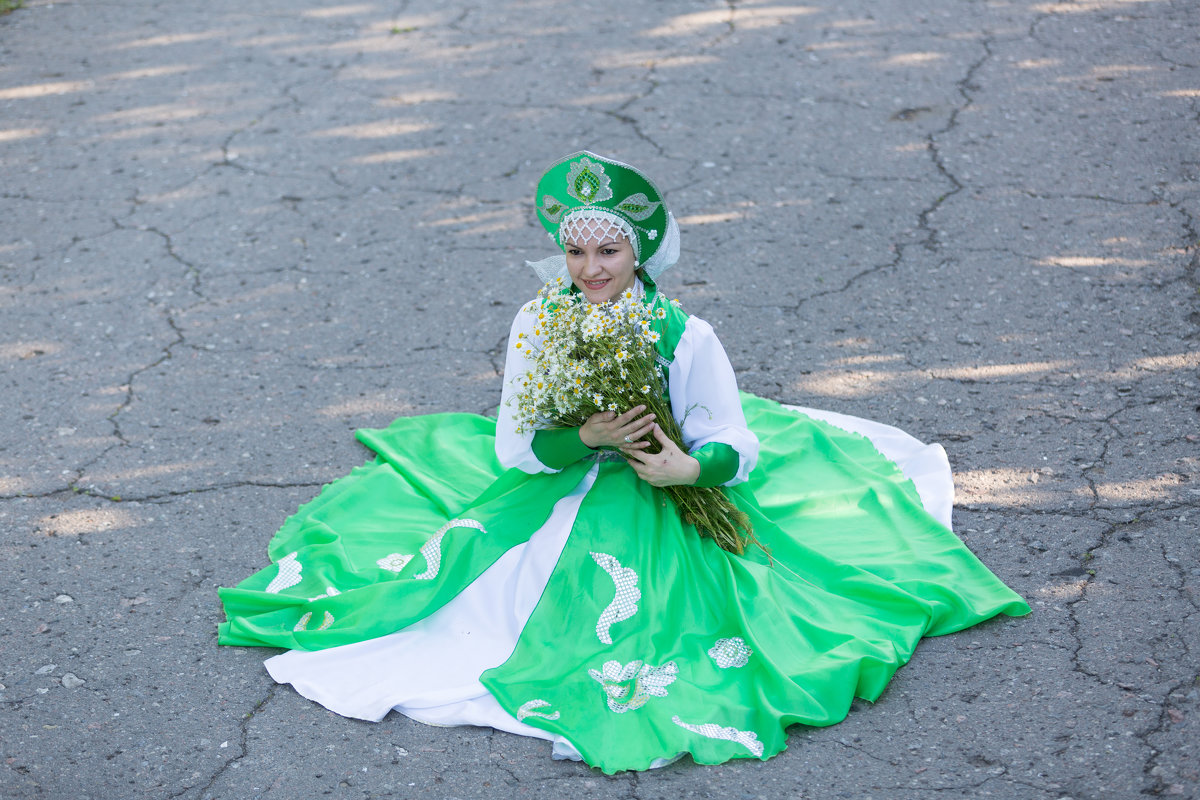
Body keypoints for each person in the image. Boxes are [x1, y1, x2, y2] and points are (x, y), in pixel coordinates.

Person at [218, 151, 1029, 773]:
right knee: (468, 597)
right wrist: (588, 439)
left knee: (697, 611)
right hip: (561, 486)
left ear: (638, 253)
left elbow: (733, 441)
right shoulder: (537, 324)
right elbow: (515, 446)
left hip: (661, 487)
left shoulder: (685, 333)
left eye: (609, 250)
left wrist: (691, 471)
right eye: (577, 255)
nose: (592, 269)